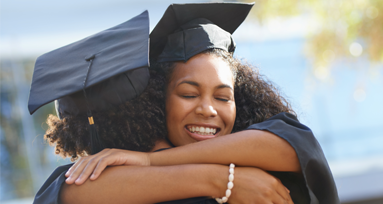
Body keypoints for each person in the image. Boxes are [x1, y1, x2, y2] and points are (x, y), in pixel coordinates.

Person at [32, 3, 339, 204]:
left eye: (223, 97)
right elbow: (71, 190)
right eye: (189, 94)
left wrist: (154, 161)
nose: (207, 108)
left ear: (241, 102)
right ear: (156, 103)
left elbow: (292, 144)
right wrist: (223, 181)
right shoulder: (126, 188)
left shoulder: (269, 167)